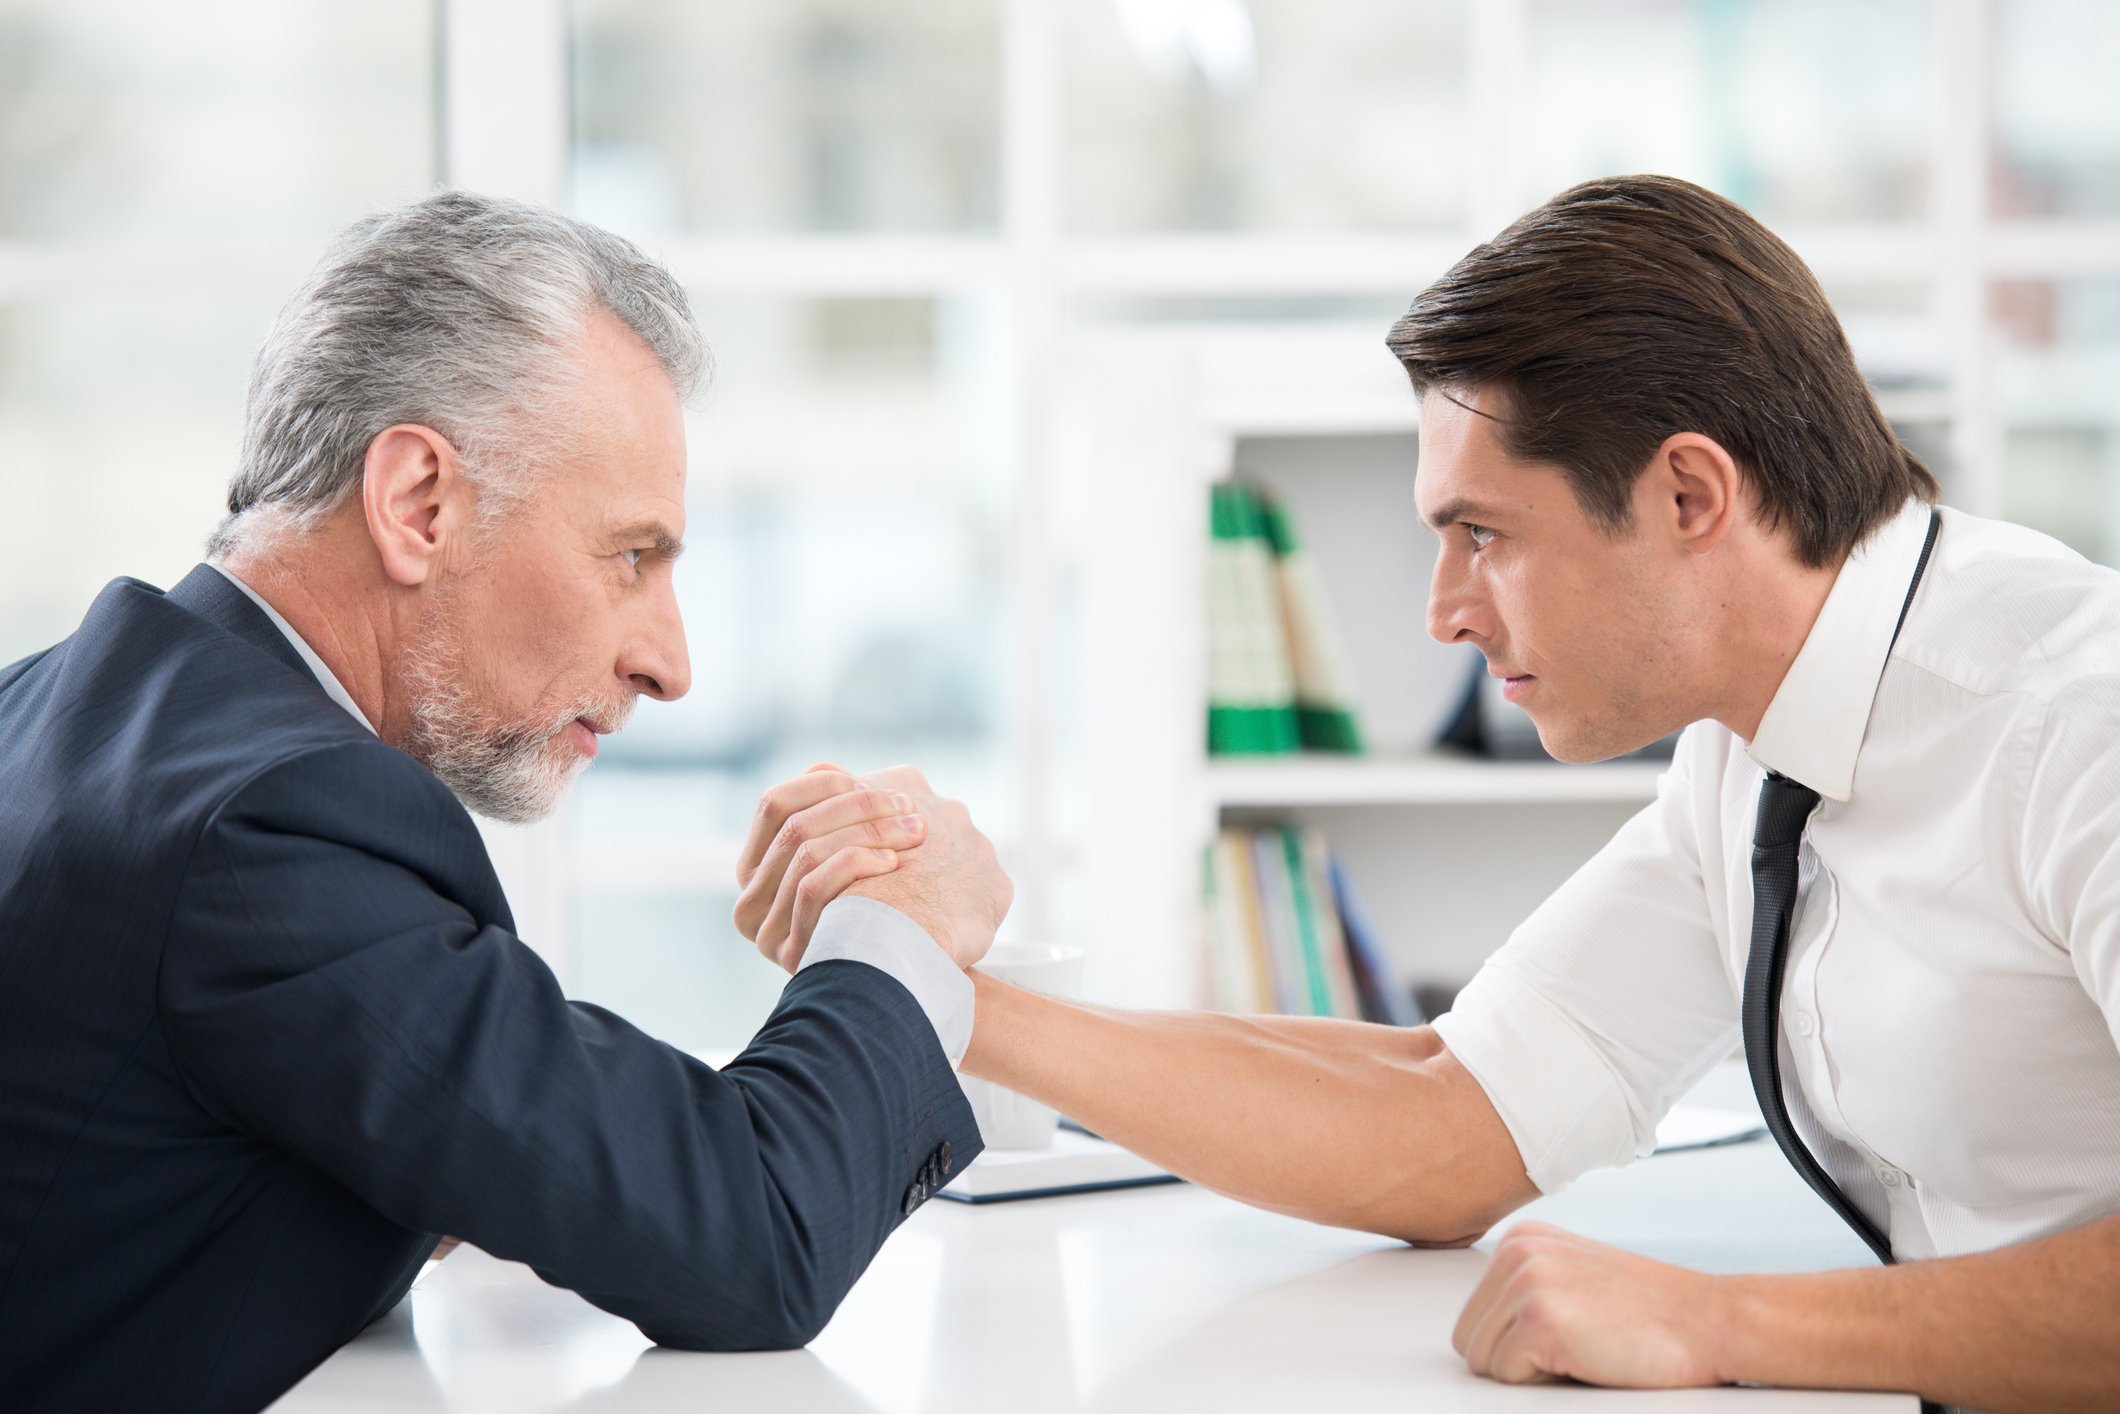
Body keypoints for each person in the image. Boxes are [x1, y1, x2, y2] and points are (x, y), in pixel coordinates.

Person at [743, 176, 2120, 1414]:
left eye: (1484, 535)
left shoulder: (2074, 720)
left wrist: (1717, 1319)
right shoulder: (1754, 753)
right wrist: (933, 991)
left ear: (1691, 495)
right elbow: (1454, 1116)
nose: (1445, 613)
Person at [0, 192, 1012, 1414]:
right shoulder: (266, 830)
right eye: (629, 556)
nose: (671, 665)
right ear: (418, 501)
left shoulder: (60, 708)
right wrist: (897, 932)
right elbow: (757, 1238)